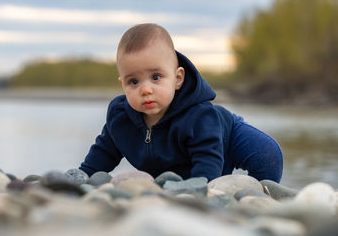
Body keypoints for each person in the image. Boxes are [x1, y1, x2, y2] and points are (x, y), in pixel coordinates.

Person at [79, 23, 283, 182]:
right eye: (134, 81)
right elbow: (103, 152)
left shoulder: (198, 115)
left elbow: (207, 158)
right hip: (183, 162)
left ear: (177, 79)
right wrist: (82, 178)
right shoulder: (120, 117)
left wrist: (203, 190)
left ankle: (261, 197)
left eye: (156, 77)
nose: (146, 89)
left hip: (224, 134)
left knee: (267, 154)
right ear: (122, 84)